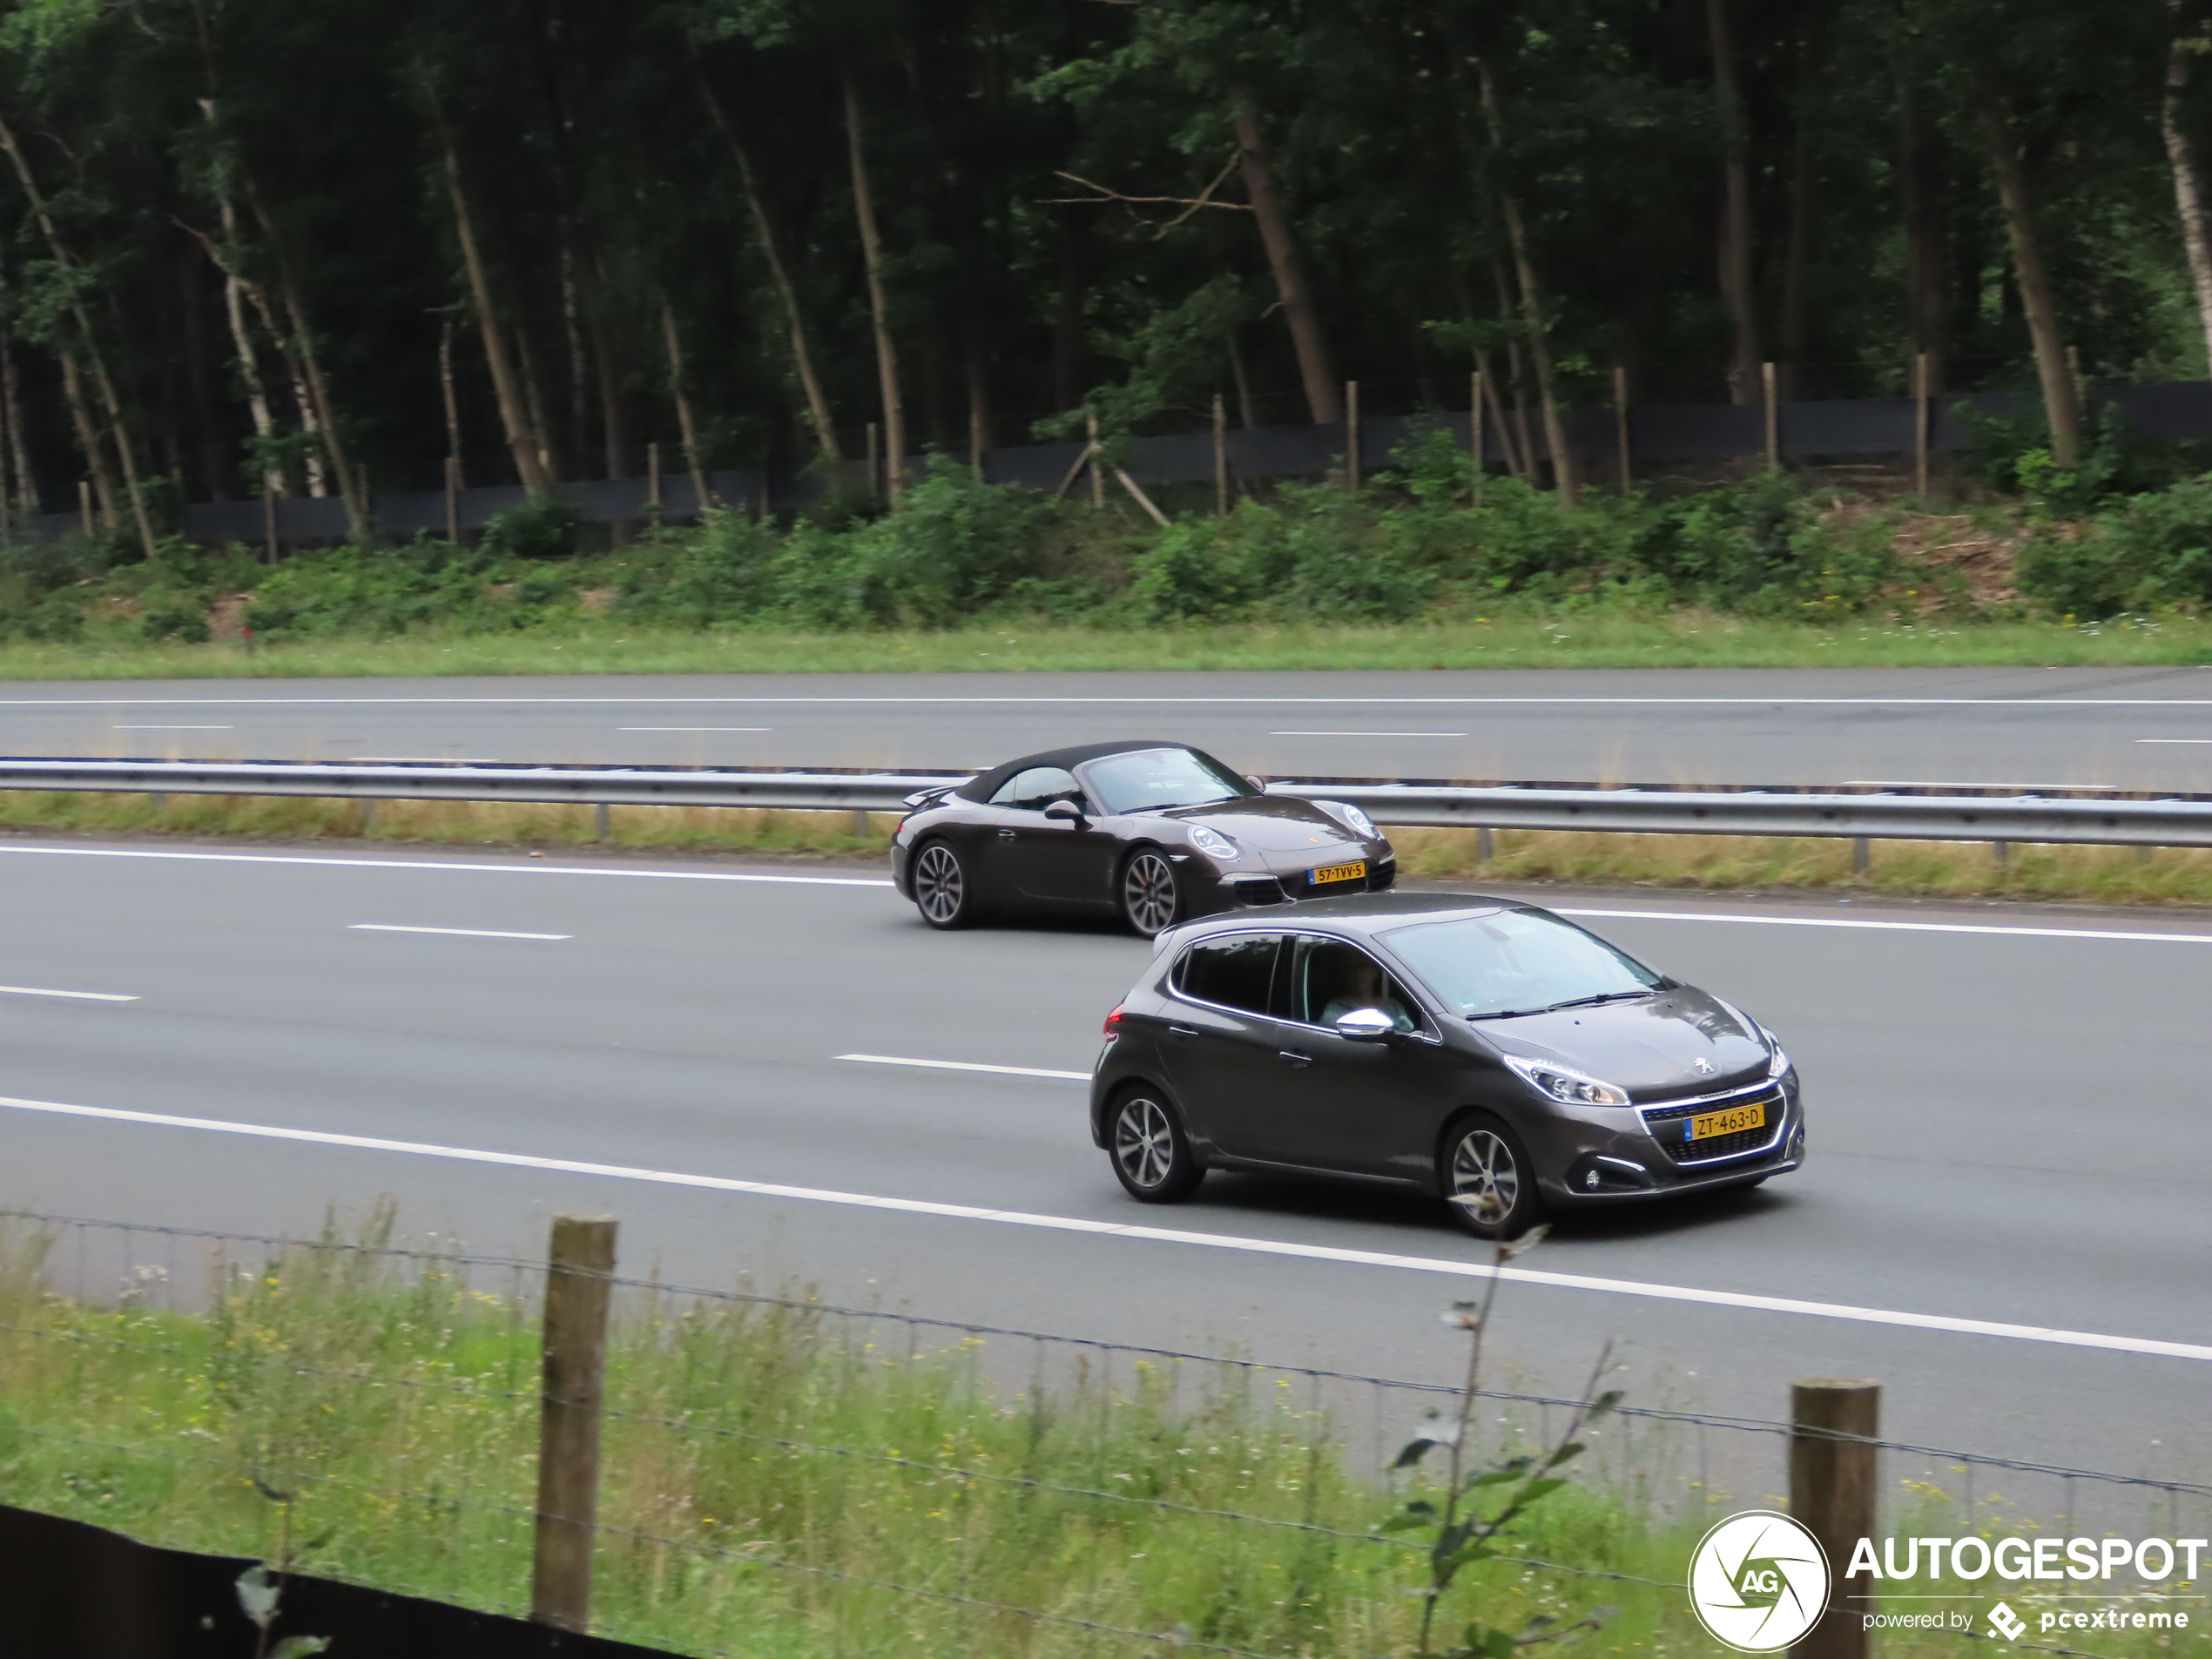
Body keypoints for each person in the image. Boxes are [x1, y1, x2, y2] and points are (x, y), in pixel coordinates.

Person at [1318, 954, 1416, 1032]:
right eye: (1352, 968)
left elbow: (1408, 1037)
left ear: (1375, 972)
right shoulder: (1336, 1009)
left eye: (1363, 966)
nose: (1358, 972)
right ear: (1346, 974)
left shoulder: (1393, 1006)